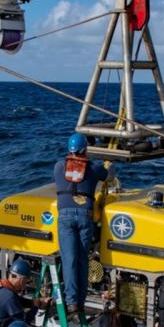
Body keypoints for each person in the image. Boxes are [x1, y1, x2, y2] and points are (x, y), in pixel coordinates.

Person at [53, 133, 109, 317]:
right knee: (82, 260)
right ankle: (82, 301)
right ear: (85, 149)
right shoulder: (93, 168)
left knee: (69, 260)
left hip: (65, 217)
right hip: (85, 216)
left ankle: (71, 303)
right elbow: (107, 174)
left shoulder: (59, 167)